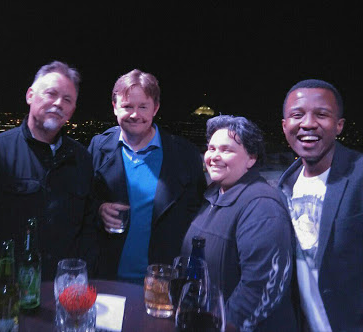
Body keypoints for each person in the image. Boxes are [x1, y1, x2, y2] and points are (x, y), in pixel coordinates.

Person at [0, 61, 98, 303]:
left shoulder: (82, 158)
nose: (58, 104)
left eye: (67, 99)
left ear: (73, 109)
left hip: (62, 295)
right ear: (30, 95)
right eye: (51, 94)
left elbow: (86, 228)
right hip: (5, 296)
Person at [181, 115, 297, 332]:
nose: (214, 156)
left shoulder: (262, 206)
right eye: (211, 148)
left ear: (251, 158)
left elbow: (260, 286)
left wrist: (225, 326)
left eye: (226, 150)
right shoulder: (212, 196)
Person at [88, 69, 206, 283]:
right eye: (127, 106)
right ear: (115, 107)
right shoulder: (97, 147)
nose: (135, 114)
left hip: (163, 282)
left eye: (143, 106)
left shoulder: (184, 154)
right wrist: (99, 209)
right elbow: (83, 202)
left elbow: (197, 214)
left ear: (156, 108)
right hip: (106, 278)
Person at [279, 79, 363, 332]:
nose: (307, 123)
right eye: (297, 115)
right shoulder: (284, 187)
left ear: (339, 125)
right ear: (285, 126)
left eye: (322, 114)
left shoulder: (359, 175)